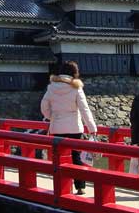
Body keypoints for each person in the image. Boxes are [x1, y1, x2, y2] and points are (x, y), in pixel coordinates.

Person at [40, 60, 97, 195]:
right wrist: (92, 127)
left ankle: (61, 185)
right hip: (74, 128)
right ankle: (80, 187)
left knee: (59, 157)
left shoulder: (52, 87)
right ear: (74, 73)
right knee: (76, 156)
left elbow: (44, 107)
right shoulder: (76, 88)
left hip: (57, 127)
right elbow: (85, 109)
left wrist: (52, 117)